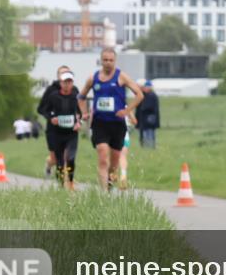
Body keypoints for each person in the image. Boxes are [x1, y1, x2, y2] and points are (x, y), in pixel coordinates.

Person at [78, 48, 144, 191]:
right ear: (101, 61)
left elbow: (139, 95)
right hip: (99, 123)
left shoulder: (121, 76)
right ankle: (104, 194)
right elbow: (81, 97)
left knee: (114, 164)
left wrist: (127, 111)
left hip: (117, 125)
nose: (108, 63)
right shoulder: (93, 78)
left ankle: (109, 186)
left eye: (111, 60)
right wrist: (84, 113)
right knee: (102, 157)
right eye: (105, 60)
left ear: (115, 61)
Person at [44, 70, 82, 190]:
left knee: (70, 158)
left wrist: (78, 122)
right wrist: (51, 118)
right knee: (59, 161)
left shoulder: (75, 96)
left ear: (72, 83)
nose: (67, 84)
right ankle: (61, 185)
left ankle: (70, 183)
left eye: (69, 82)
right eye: (65, 82)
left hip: (71, 133)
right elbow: (46, 110)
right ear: (61, 83)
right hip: (57, 133)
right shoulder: (53, 96)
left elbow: (79, 113)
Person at [38, 66, 72, 176]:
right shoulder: (51, 90)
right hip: (53, 129)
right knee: (55, 158)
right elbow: (41, 108)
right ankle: (49, 165)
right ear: (58, 76)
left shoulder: (73, 89)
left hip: (68, 128)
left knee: (66, 156)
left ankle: (65, 180)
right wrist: (51, 117)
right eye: (62, 73)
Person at [135, 80, 161, 148]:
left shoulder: (151, 95)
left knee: (149, 133)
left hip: (149, 118)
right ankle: (147, 146)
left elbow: (148, 106)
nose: (144, 88)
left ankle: (149, 146)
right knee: (146, 132)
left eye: (146, 87)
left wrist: (142, 108)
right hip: (146, 118)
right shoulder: (147, 95)